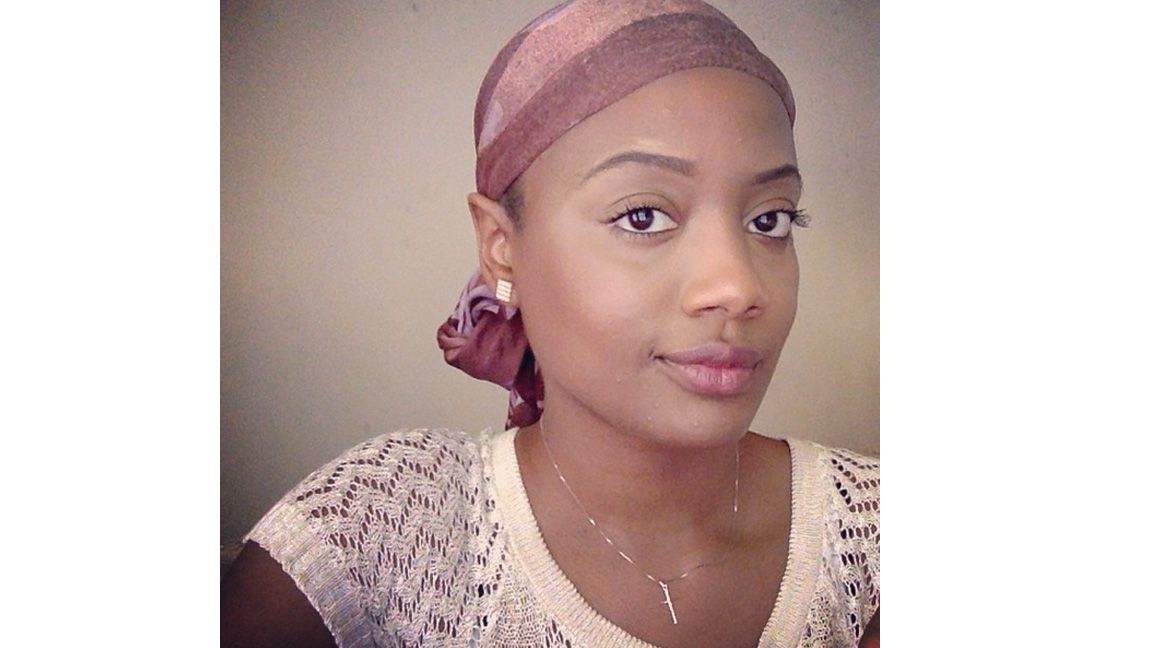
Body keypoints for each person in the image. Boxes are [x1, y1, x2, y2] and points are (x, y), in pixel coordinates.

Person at [221, 1, 879, 646]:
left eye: (770, 219)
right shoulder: (381, 530)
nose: (737, 288)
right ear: (501, 245)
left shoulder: (878, 536)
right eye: (643, 216)